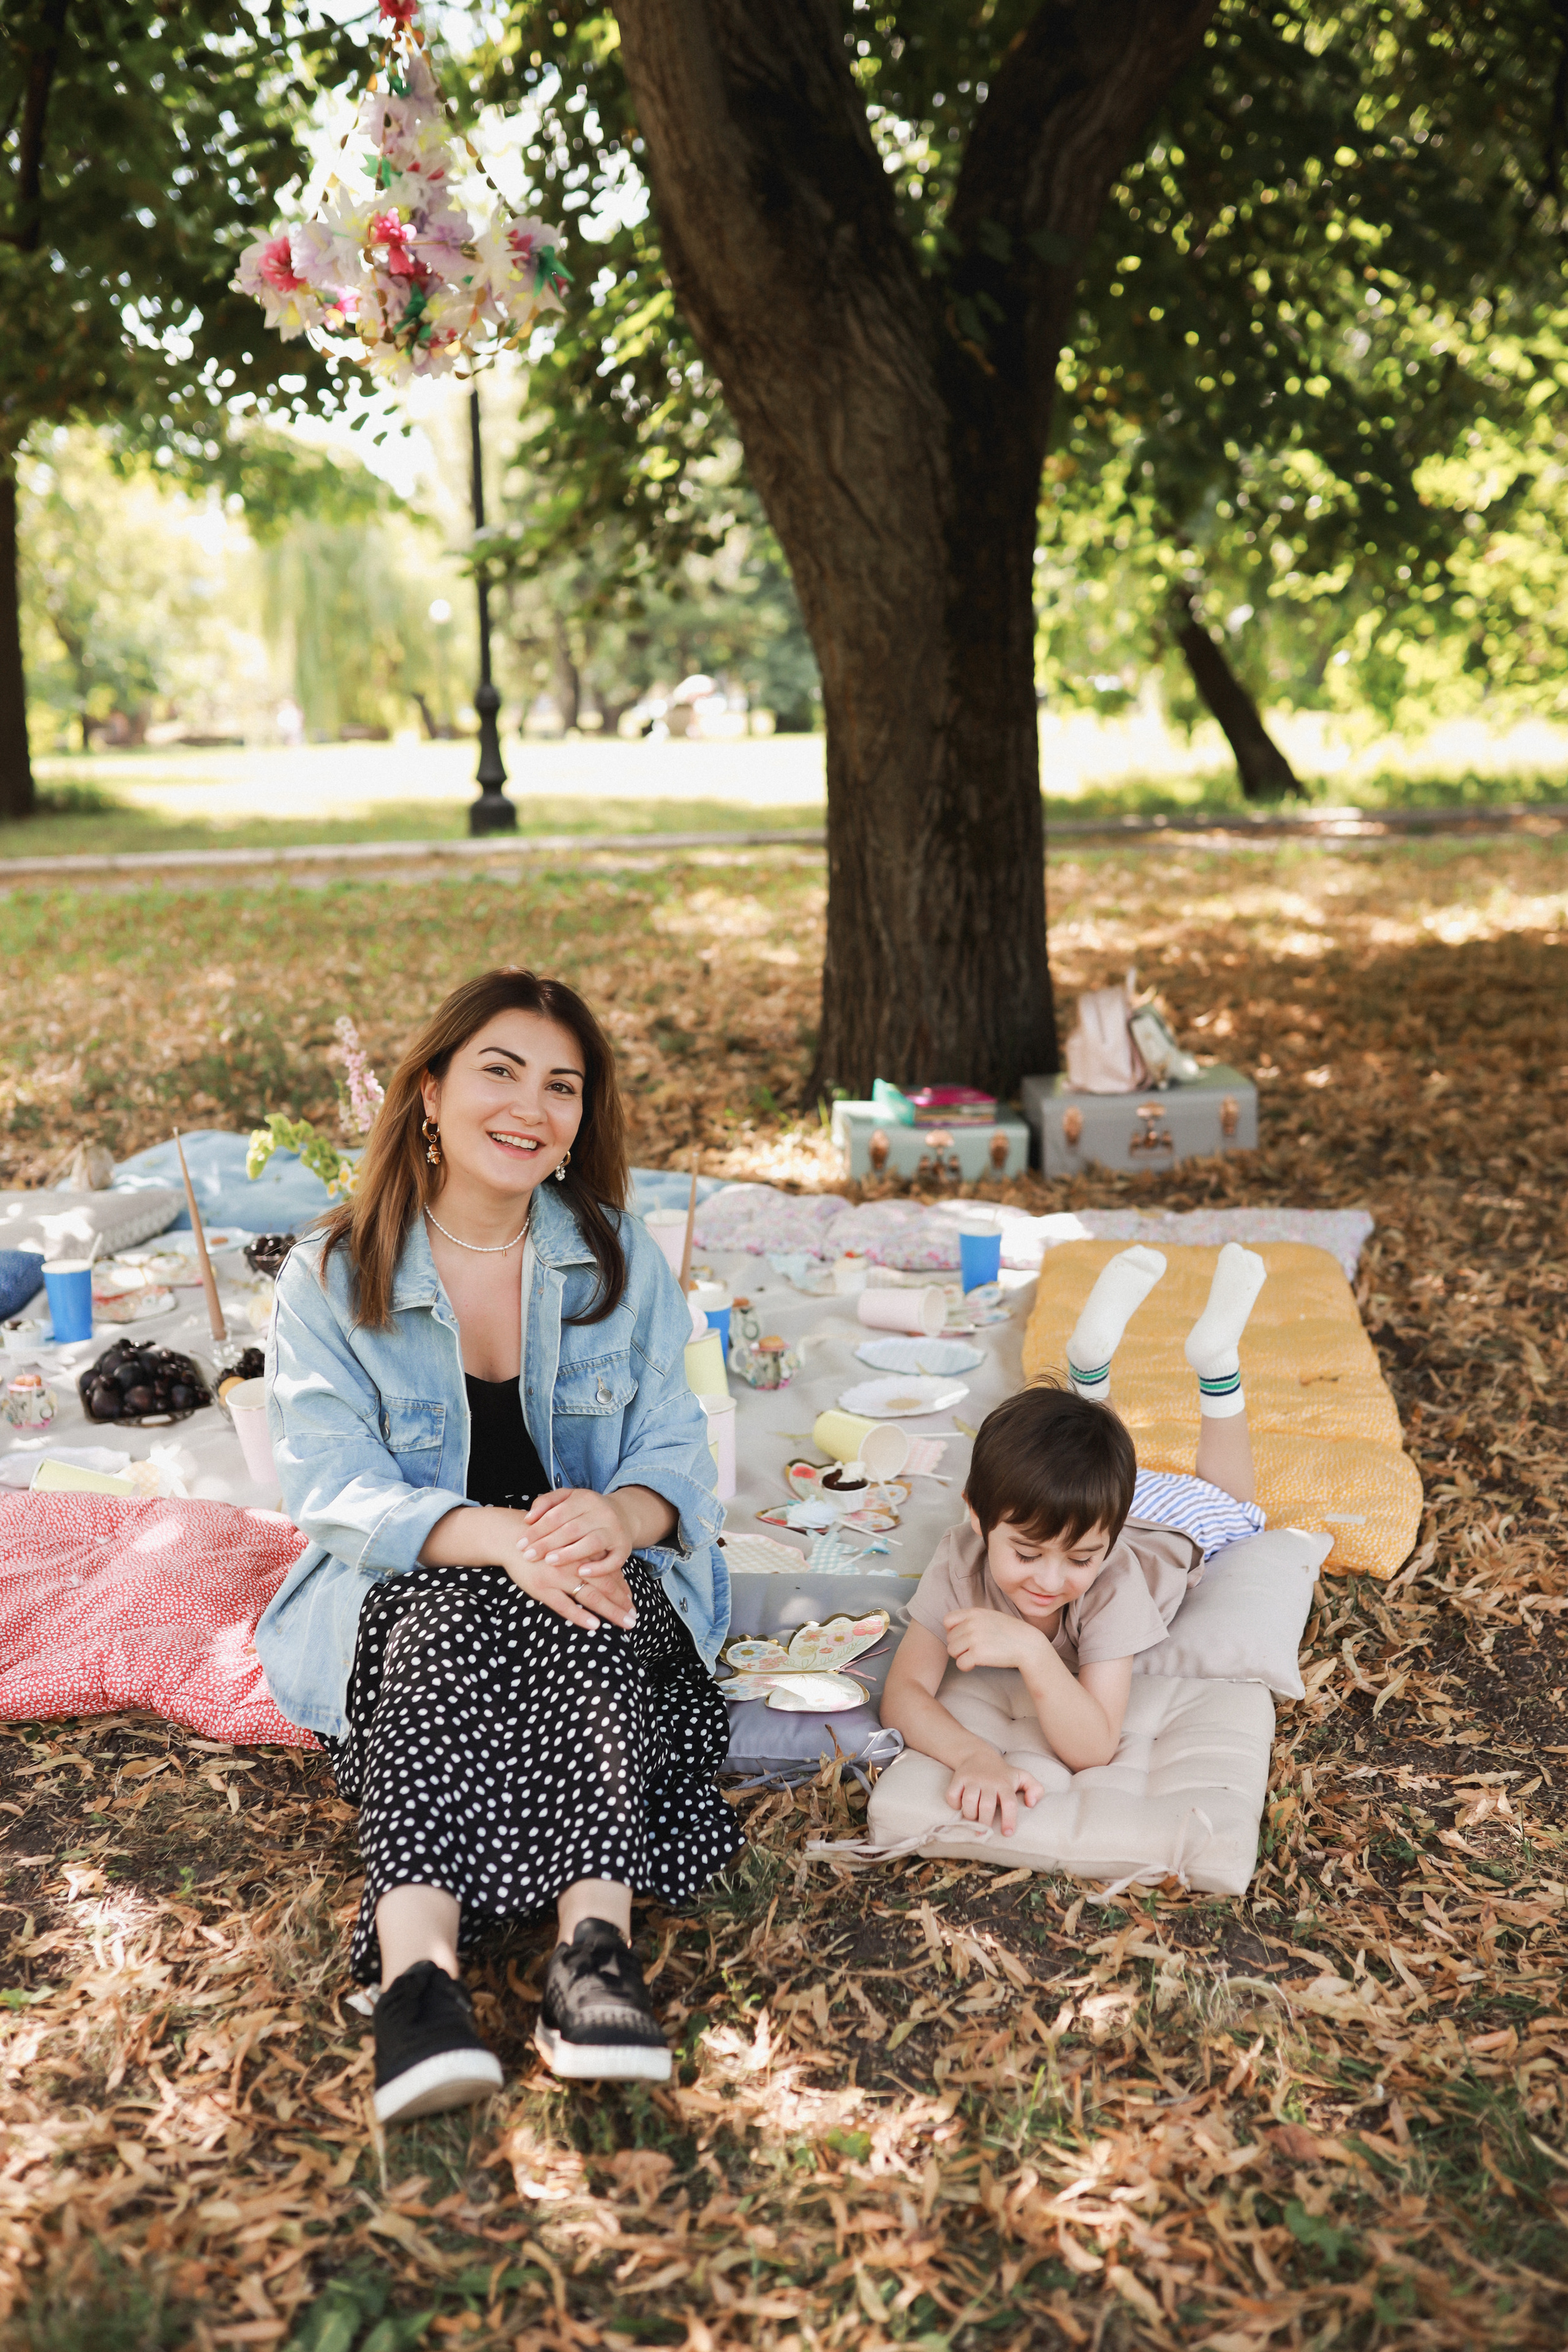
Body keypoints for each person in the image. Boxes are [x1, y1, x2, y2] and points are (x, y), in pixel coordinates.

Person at [256, 969, 741, 2120]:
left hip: (589, 1574)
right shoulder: (332, 1274)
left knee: (589, 1606)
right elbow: (329, 1485)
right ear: (429, 1091)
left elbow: (677, 1441)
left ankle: (593, 1960)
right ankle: (419, 1984)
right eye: (500, 1071)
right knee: (444, 1628)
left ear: (583, 1118)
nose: (532, 1106)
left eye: (562, 1085)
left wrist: (623, 1518)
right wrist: (494, 1539)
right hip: (415, 1583)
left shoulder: (618, 1259)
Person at [881, 1243, 1269, 1829]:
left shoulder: (1111, 1583)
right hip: (1081, 1511)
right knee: (1086, 1465)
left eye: (1080, 1560)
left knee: (1233, 1503)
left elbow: (1092, 1748)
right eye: (1026, 1553)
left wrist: (1033, 1652)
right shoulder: (962, 1560)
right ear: (978, 1517)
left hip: (1167, 1529)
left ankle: (1216, 1362)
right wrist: (974, 1755)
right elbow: (905, 1691)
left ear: (1105, 1545)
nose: (1051, 1580)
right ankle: (1087, 1369)